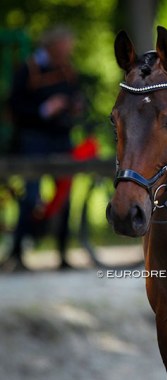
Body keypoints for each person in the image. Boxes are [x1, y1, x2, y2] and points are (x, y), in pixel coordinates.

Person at [4, 26, 84, 271]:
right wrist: (44, 109)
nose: (67, 51)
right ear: (52, 45)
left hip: (61, 138)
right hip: (34, 139)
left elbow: (78, 97)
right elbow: (13, 105)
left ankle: (62, 255)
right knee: (30, 197)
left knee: (64, 196)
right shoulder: (29, 69)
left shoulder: (67, 70)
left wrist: (73, 106)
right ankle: (17, 253)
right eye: (64, 46)